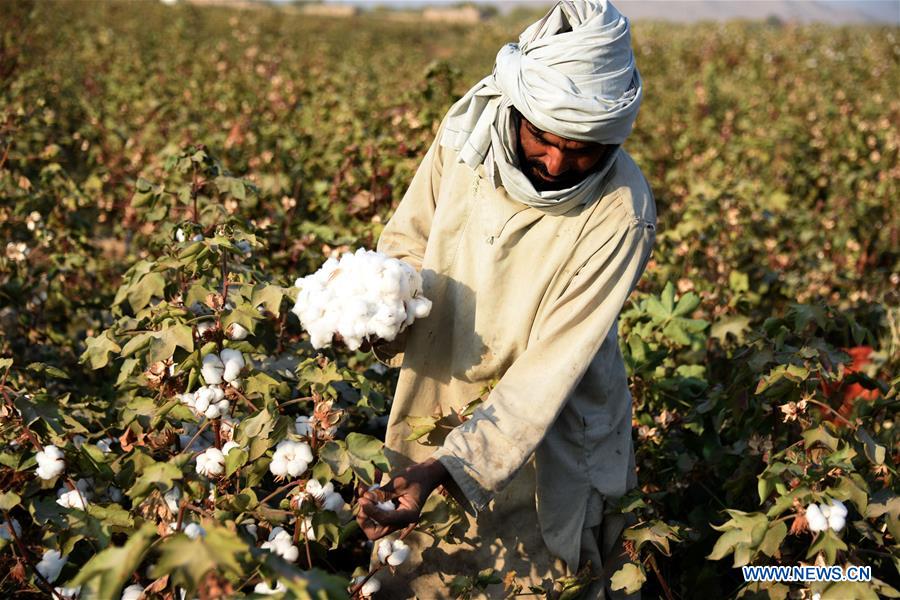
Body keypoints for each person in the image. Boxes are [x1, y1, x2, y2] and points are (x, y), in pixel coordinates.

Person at [356, 1, 655, 597]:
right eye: (543, 138)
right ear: (515, 109)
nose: (557, 163)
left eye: (584, 149)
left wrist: (450, 466)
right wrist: (381, 307)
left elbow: (548, 374)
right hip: (434, 393)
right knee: (415, 573)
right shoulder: (466, 137)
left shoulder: (622, 212)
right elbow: (408, 241)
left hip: (551, 432)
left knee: (532, 575)